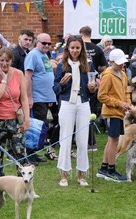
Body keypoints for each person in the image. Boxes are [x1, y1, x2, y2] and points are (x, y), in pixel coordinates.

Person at [53, 35, 97, 187]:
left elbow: (92, 87)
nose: (75, 50)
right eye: (72, 47)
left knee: (82, 140)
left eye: (78, 47)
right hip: (67, 102)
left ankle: (81, 174)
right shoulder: (61, 66)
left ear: (81, 49)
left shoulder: (88, 65)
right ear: (68, 48)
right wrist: (63, 83)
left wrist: (93, 89)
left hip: (83, 102)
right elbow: (56, 89)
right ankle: (64, 175)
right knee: (65, 139)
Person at [0, 47, 30, 178]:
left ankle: (24, 184)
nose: (4, 64)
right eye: (1, 60)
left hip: (14, 119)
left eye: (7, 61)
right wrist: (4, 80)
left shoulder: (18, 74)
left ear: (11, 60)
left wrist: (26, 120)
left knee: (20, 153)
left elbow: (24, 98)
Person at [96, 49, 131, 182]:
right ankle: (110, 170)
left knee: (112, 140)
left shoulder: (123, 74)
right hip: (111, 113)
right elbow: (102, 96)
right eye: (119, 63)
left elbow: (126, 91)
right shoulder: (108, 75)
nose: (122, 65)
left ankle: (104, 168)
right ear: (111, 62)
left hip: (119, 112)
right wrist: (120, 104)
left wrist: (127, 104)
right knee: (114, 140)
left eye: (122, 63)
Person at [24, 33, 57, 164]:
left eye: (49, 43)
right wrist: (29, 97)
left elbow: (47, 75)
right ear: (37, 42)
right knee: (35, 128)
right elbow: (28, 77)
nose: (47, 46)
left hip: (45, 98)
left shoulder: (44, 55)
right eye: (44, 43)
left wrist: (50, 97)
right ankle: (29, 155)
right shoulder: (33, 55)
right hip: (37, 98)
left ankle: (34, 153)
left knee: (41, 126)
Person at [79, 26, 108, 152]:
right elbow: (104, 67)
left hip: (83, 83)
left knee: (83, 114)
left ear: (81, 34)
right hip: (93, 83)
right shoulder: (97, 48)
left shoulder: (77, 47)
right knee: (89, 113)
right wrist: (98, 73)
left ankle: (88, 142)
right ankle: (89, 142)